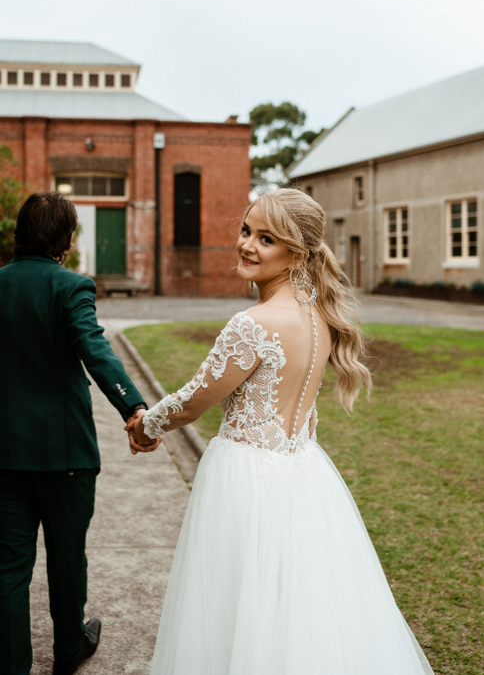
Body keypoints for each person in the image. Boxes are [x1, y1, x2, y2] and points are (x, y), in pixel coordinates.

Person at [127, 188, 434, 675]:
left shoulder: (253, 324)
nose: (247, 245)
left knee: (232, 600)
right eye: (247, 231)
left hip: (244, 477)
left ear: (296, 251)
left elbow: (195, 399)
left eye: (266, 239)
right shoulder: (320, 320)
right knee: (294, 601)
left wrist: (147, 424)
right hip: (301, 473)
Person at [0, 192, 159, 675]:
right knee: (67, 557)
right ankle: (69, 647)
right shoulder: (72, 287)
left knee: (8, 567)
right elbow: (97, 353)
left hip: (5, 453)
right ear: (66, 241)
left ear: (19, 233)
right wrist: (136, 410)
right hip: (65, 453)